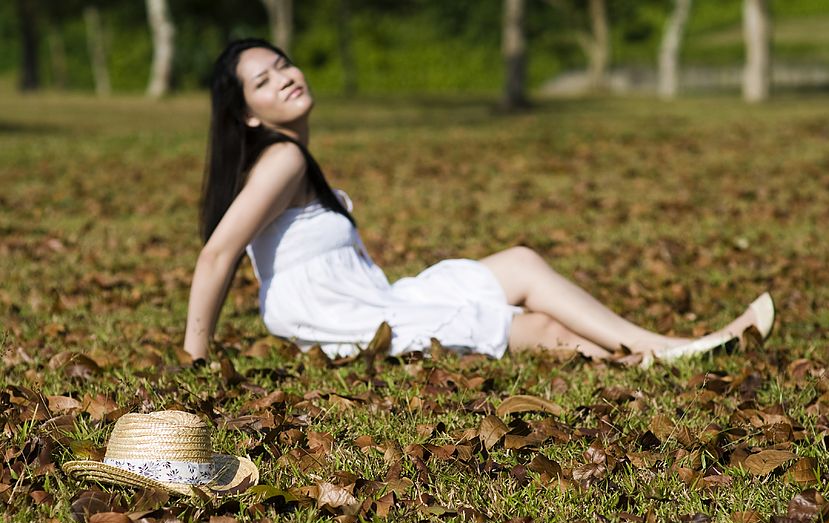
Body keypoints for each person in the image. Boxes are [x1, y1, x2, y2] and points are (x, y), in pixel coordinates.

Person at [183, 38, 775, 368]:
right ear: (250, 114)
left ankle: (661, 350)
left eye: (282, 63)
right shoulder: (281, 159)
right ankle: (657, 358)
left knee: (518, 261)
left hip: (373, 303)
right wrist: (195, 362)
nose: (284, 76)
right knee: (537, 326)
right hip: (352, 324)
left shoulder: (290, 157)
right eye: (263, 80)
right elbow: (217, 257)